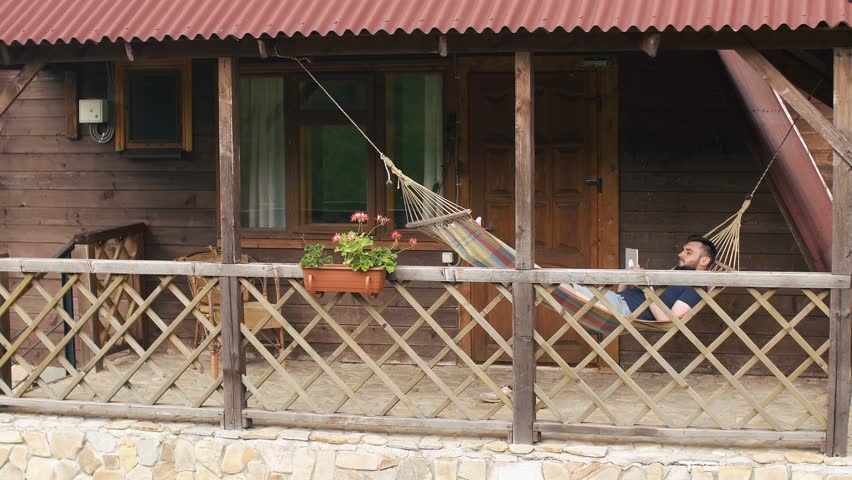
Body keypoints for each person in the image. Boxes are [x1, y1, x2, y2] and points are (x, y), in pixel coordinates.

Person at [570, 234, 717, 322]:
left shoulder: (696, 288)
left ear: (704, 261)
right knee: (563, 287)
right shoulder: (676, 277)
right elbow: (622, 295)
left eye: (688, 252)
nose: (681, 254)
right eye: (683, 250)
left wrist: (645, 286)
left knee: (560, 286)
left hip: (618, 308)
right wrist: (630, 279)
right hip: (613, 300)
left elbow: (669, 321)